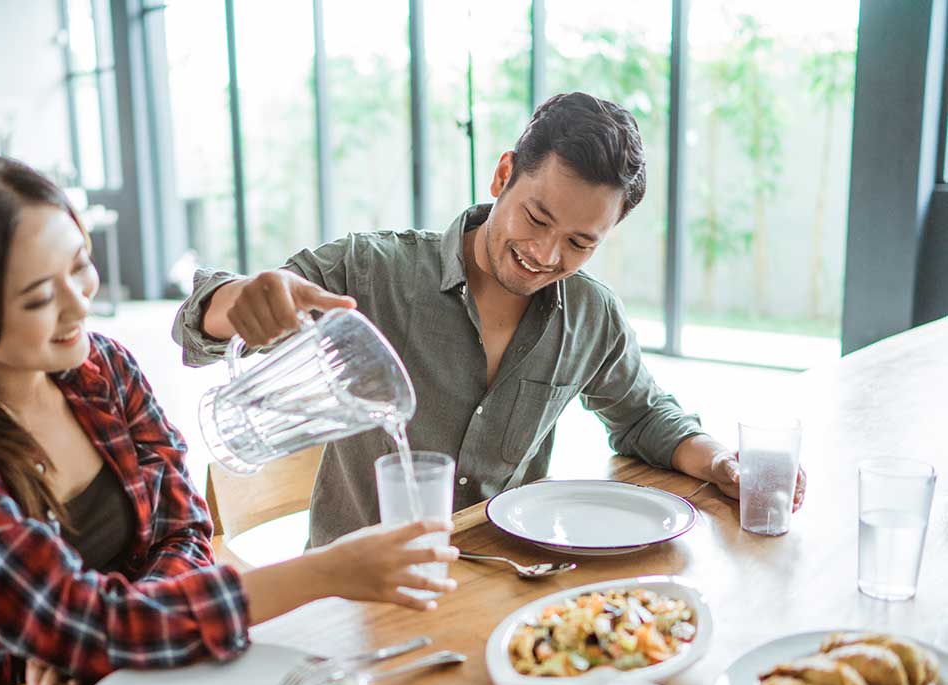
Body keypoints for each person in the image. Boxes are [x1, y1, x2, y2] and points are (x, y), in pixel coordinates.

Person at [0, 154, 457, 685]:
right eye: (39, 297)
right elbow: (86, 623)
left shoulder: (102, 371)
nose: (79, 303)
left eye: (80, 265)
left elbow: (184, 530)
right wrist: (320, 573)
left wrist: (109, 639)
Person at [173, 92, 806, 547]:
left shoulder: (590, 314)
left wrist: (721, 463)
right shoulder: (373, 271)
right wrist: (240, 301)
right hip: (355, 597)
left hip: (505, 579)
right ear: (504, 174)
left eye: (580, 242)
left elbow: (643, 417)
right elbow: (196, 326)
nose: (546, 255)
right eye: (536, 217)